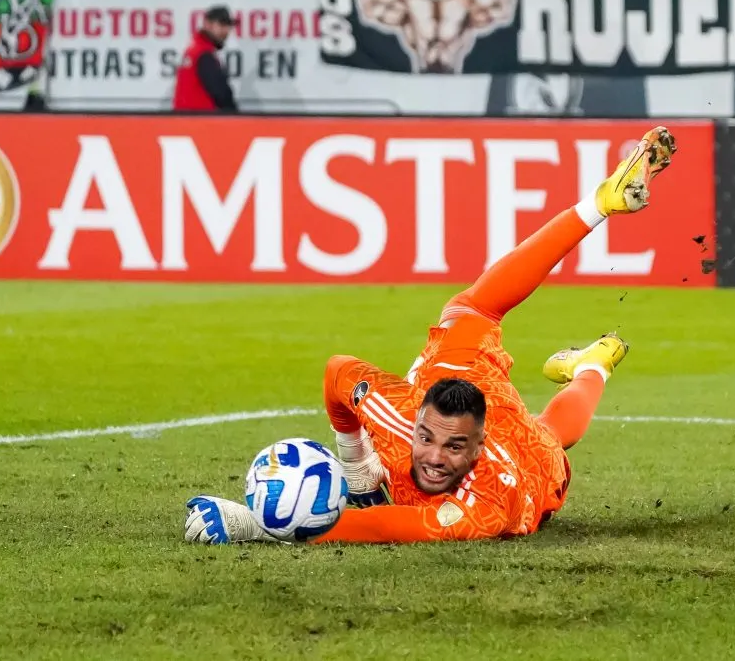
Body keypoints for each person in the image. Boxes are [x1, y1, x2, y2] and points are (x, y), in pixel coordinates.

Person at [184, 127, 677, 544]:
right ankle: (598, 224)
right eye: (426, 438)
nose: (435, 458)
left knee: (547, 435)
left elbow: (381, 525)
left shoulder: (480, 509)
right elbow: (338, 374)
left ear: (478, 446)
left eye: (454, 448)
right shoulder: (398, 413)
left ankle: (593, 366)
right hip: (470, 385)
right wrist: (356, 469)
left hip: (527, 474)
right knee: (477, 313)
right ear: (416, 418)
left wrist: (252, 523)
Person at [172, 5, 239, 112]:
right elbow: (222, 94)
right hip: (199, 123)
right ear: (207, 24)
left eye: (228, 26)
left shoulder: (193, 50)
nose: (226, 31)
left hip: (185, 121)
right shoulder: (203, 54)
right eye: (222, 25)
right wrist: (238, 119)